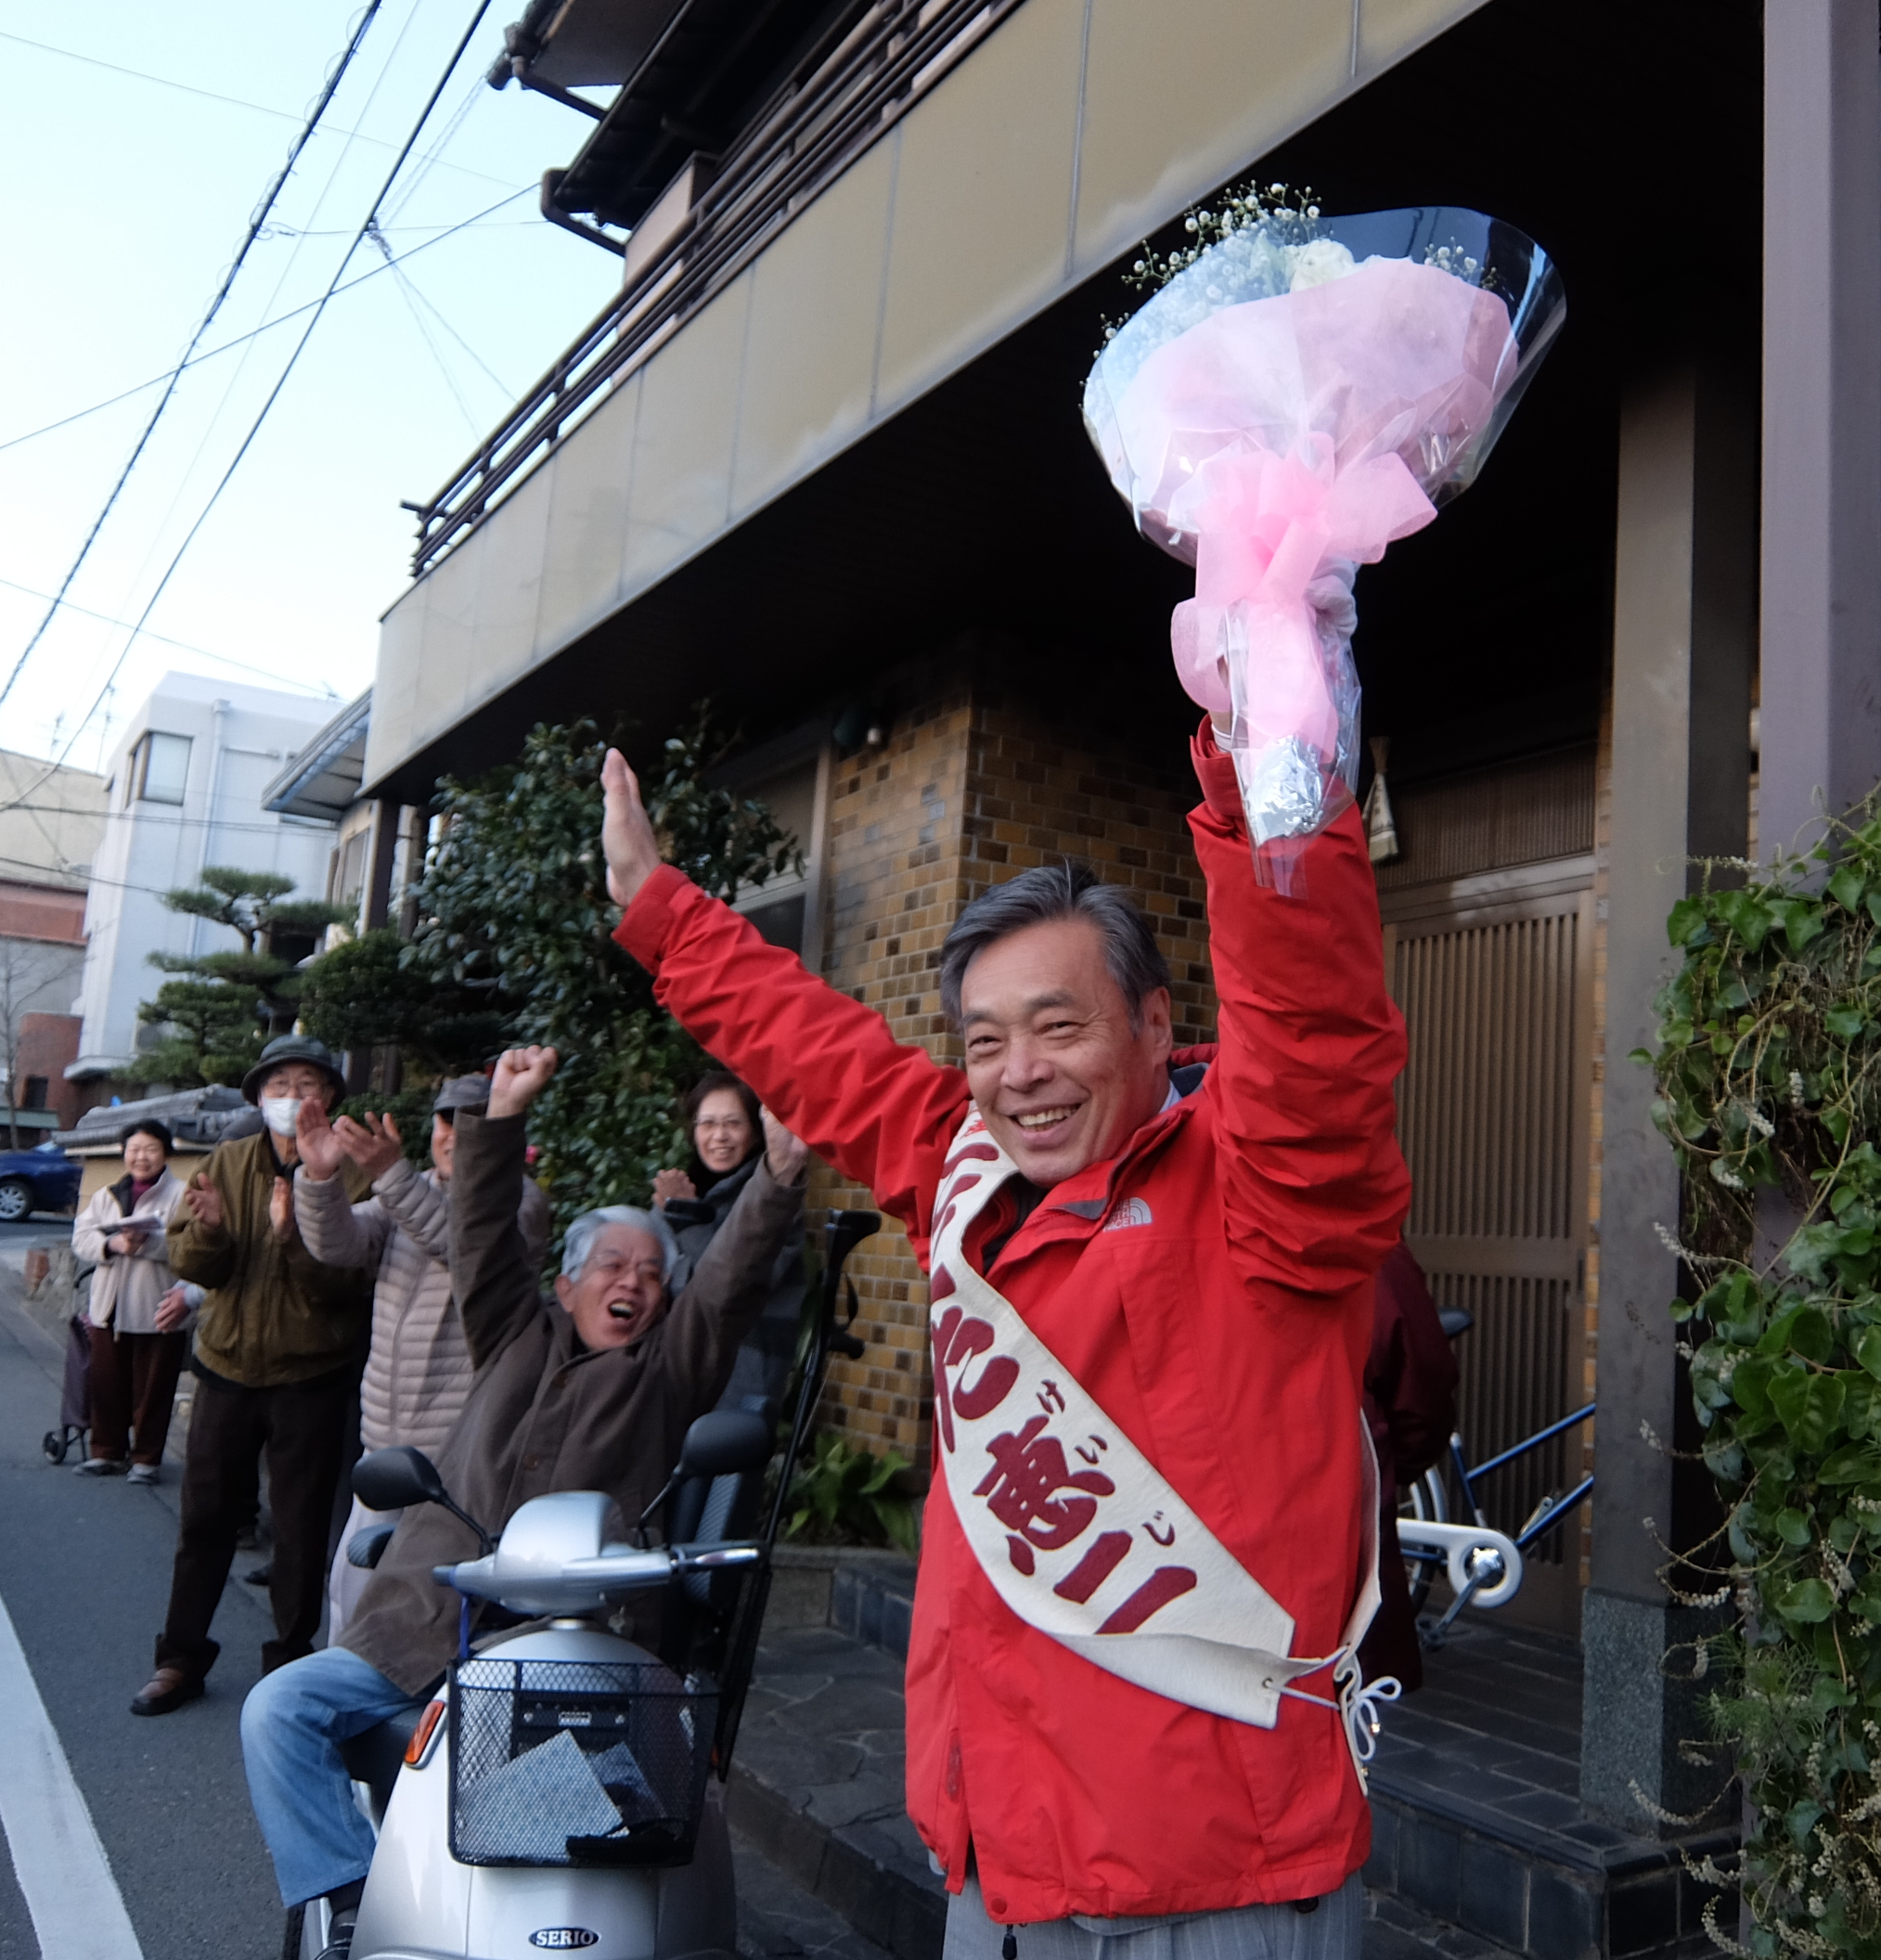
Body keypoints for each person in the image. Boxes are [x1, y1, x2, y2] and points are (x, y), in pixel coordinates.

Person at [599, 709, 1409, 1945]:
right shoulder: (968, 1176)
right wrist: (664, 913)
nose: (1018, 1071)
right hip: (993, 1856)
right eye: (985, 1041)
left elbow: (1316, 1027)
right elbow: (828, 1059)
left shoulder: (1268, 1188)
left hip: (1208, 1876)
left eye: (1059, 1026)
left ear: (1154, 1026)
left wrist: (1267, 762)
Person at [239, 1043, 805, 1950]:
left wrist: (776, 1177)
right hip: (423, 1625)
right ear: (566, 1282)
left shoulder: (667, 1371)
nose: (632, 1282)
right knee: (278, 1709)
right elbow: (480, 1237)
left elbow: (729, 1284)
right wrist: (501, 1116)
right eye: (612, 1265)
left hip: (575, 1649)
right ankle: (351, 1901)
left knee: (555, 1830)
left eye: (651, 1273)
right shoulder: (510, 1331)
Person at [132, 1035, 378, 1719]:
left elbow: (349, 1282)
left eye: (307, 1084)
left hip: (313, 1371)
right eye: (279, 1085)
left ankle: (290, 1667)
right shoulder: (227, 1161)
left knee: (300, 1527)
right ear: (259, 1097)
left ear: (330, 1097)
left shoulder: (353, 1171)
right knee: (204, 1518)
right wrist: (211, 1232)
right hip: (226, 1365)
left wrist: (293, 1237)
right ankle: (179, 1658)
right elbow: (193, 1264)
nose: (292, 1097)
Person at [291, 1071, 552, 1643]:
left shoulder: (523, 1201)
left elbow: (468, 1252)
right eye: (447, 1120)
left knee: (427, 1613)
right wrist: (321, 1176)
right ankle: (343, 1697)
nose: (455, 1134)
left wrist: (391, 1175)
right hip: (385, 1444)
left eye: (475, 1122)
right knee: (351, 1596)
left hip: (457, 1459)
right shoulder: (410, 1190)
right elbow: (338, 1245)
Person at [651, 1068, 803, 1403]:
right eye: (708, 1124)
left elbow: (735, 1285)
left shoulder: (776, 1202)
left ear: (756, 1133)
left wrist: (687, 1219)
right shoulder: (684, 1190)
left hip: (741, 1376)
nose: (719, 1136)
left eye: (733, 1123)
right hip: (669, 1369)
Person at [1358, 1243, 1460, 1693]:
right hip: (1349, 1548)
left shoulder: (1185, 1240)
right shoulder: (1368, 1246)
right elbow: (1424, 1400)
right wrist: (1383, 1469)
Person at [71, 1121, 191, 1480]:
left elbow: (193, 1248)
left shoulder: (182, 1194)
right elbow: (81, 1238)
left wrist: (147, 1245)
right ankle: (106, 1452)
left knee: (154, 1389)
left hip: (159, 1305)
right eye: (134, 1150)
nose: (141, 1157)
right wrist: (112, 1244)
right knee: (106, 1383)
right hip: (108, 1306)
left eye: (150, 1149)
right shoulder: (107, 1194)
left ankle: (146, 1459)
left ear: (166, 1153)